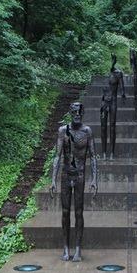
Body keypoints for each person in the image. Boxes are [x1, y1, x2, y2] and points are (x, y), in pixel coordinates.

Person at [50, 102, 98, 262]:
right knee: (65, 212)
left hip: (80, 175)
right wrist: (53, 179)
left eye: (80, 111)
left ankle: (77, 249)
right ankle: (65, 248)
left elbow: (93, 156)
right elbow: (57, 155)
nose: (77, 114)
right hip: (66, 175)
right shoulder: (63, 130)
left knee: (78, 212)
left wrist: (95, 179)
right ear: (71, 113)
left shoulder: (87, 131)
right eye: (75, 111)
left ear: (82, 113)